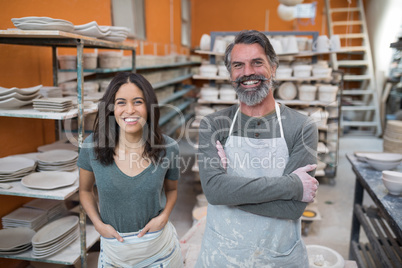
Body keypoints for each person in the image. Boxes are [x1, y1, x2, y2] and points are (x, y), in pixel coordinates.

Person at [195, 30, 319, 267]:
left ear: (273, 67)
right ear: (230, 74)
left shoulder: (302, 127)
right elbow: (213, 192)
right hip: (222, 254)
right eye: (238, 65)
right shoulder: (213, 124)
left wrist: (228, 190)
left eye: (257, 63)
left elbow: (292, 207)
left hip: (277, 256)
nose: (248, 72)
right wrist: (291, 185)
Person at [77, 72, 183, 267]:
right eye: (121, 103)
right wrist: (98, 225)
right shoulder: (92, 147)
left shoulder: (168, 148)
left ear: (149, 106)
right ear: (110, 108)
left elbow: (172, 190)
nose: (130, 110)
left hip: (159, 249)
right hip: (114, 252)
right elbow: (84, 191)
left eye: (138, 102)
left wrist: (164, 216)